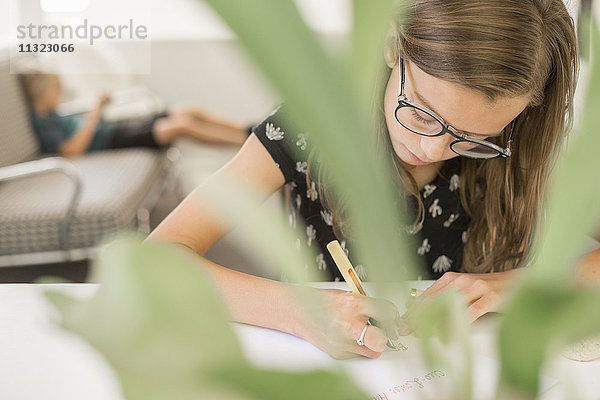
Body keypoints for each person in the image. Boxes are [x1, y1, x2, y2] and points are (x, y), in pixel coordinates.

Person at [149, 0, 599, 359]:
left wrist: (509, 287)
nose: (431, 150)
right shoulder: (311, 125)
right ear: (392, 48)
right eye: (422, 113)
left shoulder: (527, 145)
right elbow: (160, 258)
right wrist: (301, 312)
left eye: (474, 138)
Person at [19, 72, 250, 157]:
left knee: (190, 108)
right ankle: (250, 145)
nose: (60, 94)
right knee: (181, 126)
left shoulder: (52, 113)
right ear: (42, 93)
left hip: (114, 129)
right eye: (55, 90)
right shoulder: (41, 123)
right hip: (111, 142)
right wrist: (95, 113)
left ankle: (249, 130)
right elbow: (72, 150)